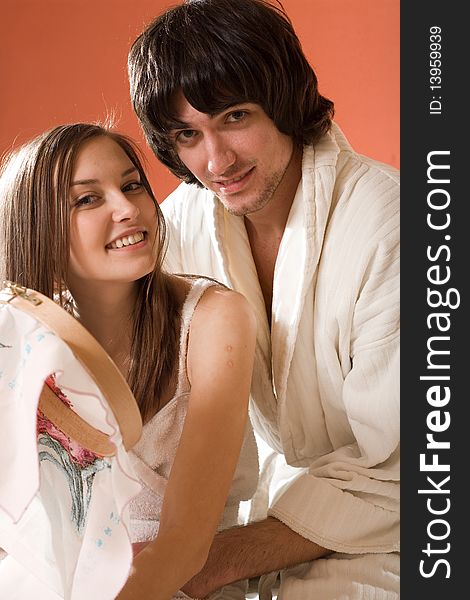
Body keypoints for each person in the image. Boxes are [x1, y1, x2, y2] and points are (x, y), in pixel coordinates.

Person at [127, 0, 400, 598]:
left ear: (283, 101)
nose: (216, 161)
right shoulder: (185, 223)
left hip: (406, 521)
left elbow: (404, 469)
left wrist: (217, 560)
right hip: (277, 509)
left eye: (234, 116)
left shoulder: (392, 223)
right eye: (187, 135)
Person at [0, 122, 259, 599]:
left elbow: (184, 544)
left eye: (131, 185)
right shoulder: (28, 340)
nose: (127, 208)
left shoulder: (213, 320)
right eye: (87, 199)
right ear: (37, 228)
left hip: (175, 583)